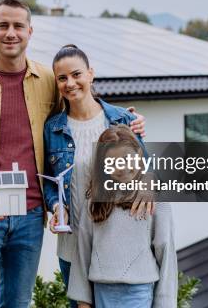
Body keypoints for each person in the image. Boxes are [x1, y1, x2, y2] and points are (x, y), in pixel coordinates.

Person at [0, 0, 146, 308]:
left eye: (18, 26)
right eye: (3, 25)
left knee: (17, 304)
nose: (11, 33)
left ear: (30, 31)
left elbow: (80, 109)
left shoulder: (48, 80)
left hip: (30, 218)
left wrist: (127, 120)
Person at [43, 44, 154, 308]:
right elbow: (49, 182)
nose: (70, 83)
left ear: (91, 74)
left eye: (77, 74)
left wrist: (149, 188)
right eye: (62, 78)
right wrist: (56, 206)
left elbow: (146, 169)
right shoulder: (52, 129)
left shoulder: (122, 120)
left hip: (114, 247)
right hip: (72, 247)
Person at [68, 125, 177, 308]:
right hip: (101, 290)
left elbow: (166, 252)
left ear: (139, 155)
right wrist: (83, 301)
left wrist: (165, 304)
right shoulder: (94, 200)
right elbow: (83, 251)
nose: (123, 168)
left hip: (139, 292)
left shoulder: (155, 196)